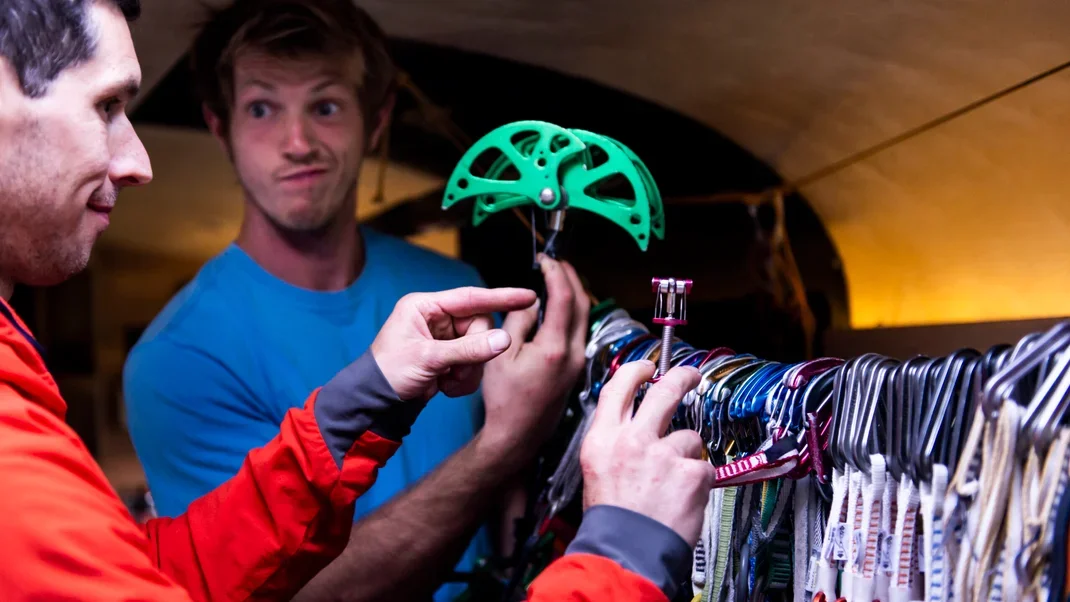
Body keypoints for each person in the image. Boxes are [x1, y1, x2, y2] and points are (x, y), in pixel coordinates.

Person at [0, 1, 715, 600]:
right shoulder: (160, 364)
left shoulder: (442, 288)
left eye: (328, 105)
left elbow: (167, 571)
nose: (138, 163)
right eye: (107, 105)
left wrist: (362, 404)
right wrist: (621, 549)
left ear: (376, 119)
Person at [120, 0, 591, 599]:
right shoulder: (177, 360)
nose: (297, 142)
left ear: (376, 120)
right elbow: (291, 594)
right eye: (262, 108)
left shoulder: (456, 285)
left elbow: (508, 517)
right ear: (221, 127)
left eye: (326, 106)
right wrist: (504, 443)